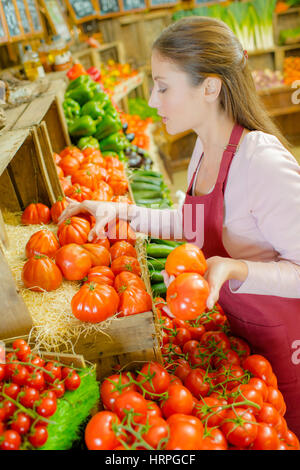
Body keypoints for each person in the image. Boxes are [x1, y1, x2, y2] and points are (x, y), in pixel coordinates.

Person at [59, 17, 300, 438]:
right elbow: (198, 223)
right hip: (245, 334)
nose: (153, 100)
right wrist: (119, 212)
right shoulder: (203, 149)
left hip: (287, 343)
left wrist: (235, 269)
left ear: (209, 87)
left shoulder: (260, 162)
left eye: (163, 86)